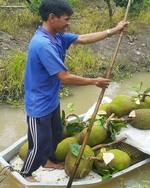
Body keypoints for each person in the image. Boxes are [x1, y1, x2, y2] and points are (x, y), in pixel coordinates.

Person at [20, 0, 129, 182]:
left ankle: (48, 160)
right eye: (66, 19)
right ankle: (26, 173)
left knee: (56, 134)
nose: (68, 23)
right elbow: (65, 77)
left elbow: (84, 38)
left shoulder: (57, 36)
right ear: (52, 18)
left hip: (51, 99)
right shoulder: (43, 44)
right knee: (39, 144)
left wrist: (114, 30)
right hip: (38, 104)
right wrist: (95, 81)